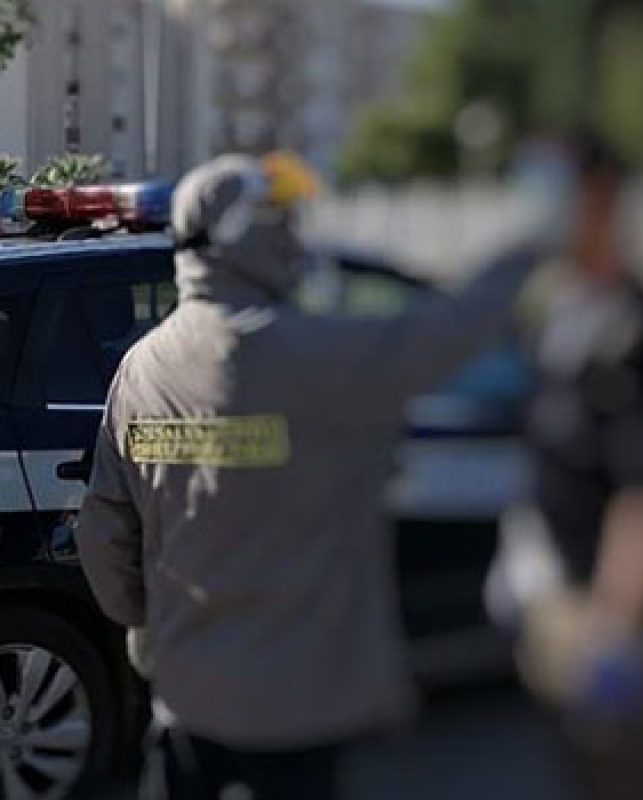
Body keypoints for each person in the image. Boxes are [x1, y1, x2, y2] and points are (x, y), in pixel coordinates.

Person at [74, 152, 550, 799]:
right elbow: (449, 330)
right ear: (242, 237)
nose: (297, 237)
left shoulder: (140, 369)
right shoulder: (313, 354)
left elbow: (104, 534)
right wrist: (540, 235)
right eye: (282, 222)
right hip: (296, 709)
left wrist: (156, 622)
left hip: (185, 698)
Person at [489, 135, 643, 800]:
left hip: (606, 615)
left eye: (552, 190)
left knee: (627, 781)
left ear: (602, 199)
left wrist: (616, 639)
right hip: (555, 599)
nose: (536, 208)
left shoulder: (635, 331)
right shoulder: (559, 308)